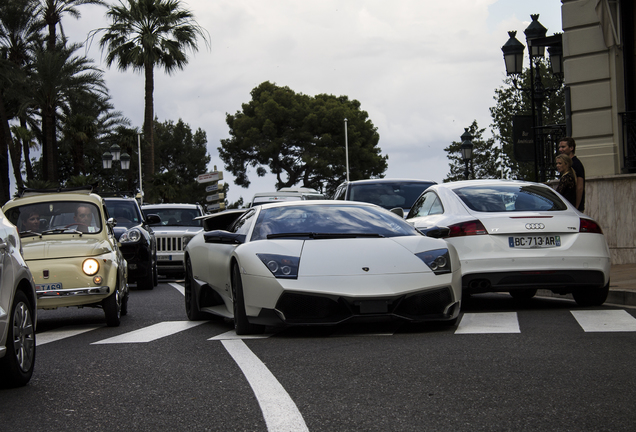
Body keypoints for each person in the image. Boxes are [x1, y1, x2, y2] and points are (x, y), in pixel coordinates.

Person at [558, 137, 585, 211]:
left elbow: (580, 188)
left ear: (571, 148)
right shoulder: (567, 164)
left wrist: (576, 207)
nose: (560, 149)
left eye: (563, 147)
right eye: (560, 147)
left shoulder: (576, 164)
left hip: (573, 207)